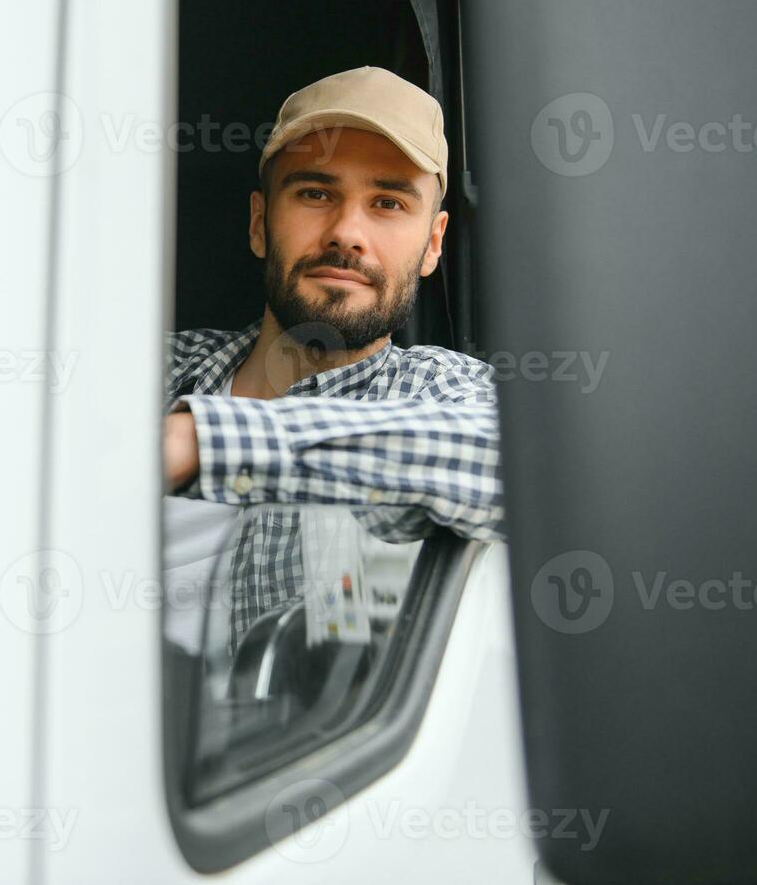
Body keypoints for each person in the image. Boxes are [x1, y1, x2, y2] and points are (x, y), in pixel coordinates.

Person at [162, 66, 503, 641]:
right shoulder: (151, 371)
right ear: (258, 224)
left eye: (389, 202)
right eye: (316, 193)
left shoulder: (444, 393)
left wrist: (199, 439)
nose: (347, 232)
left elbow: (513, 463)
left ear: (433, 244)